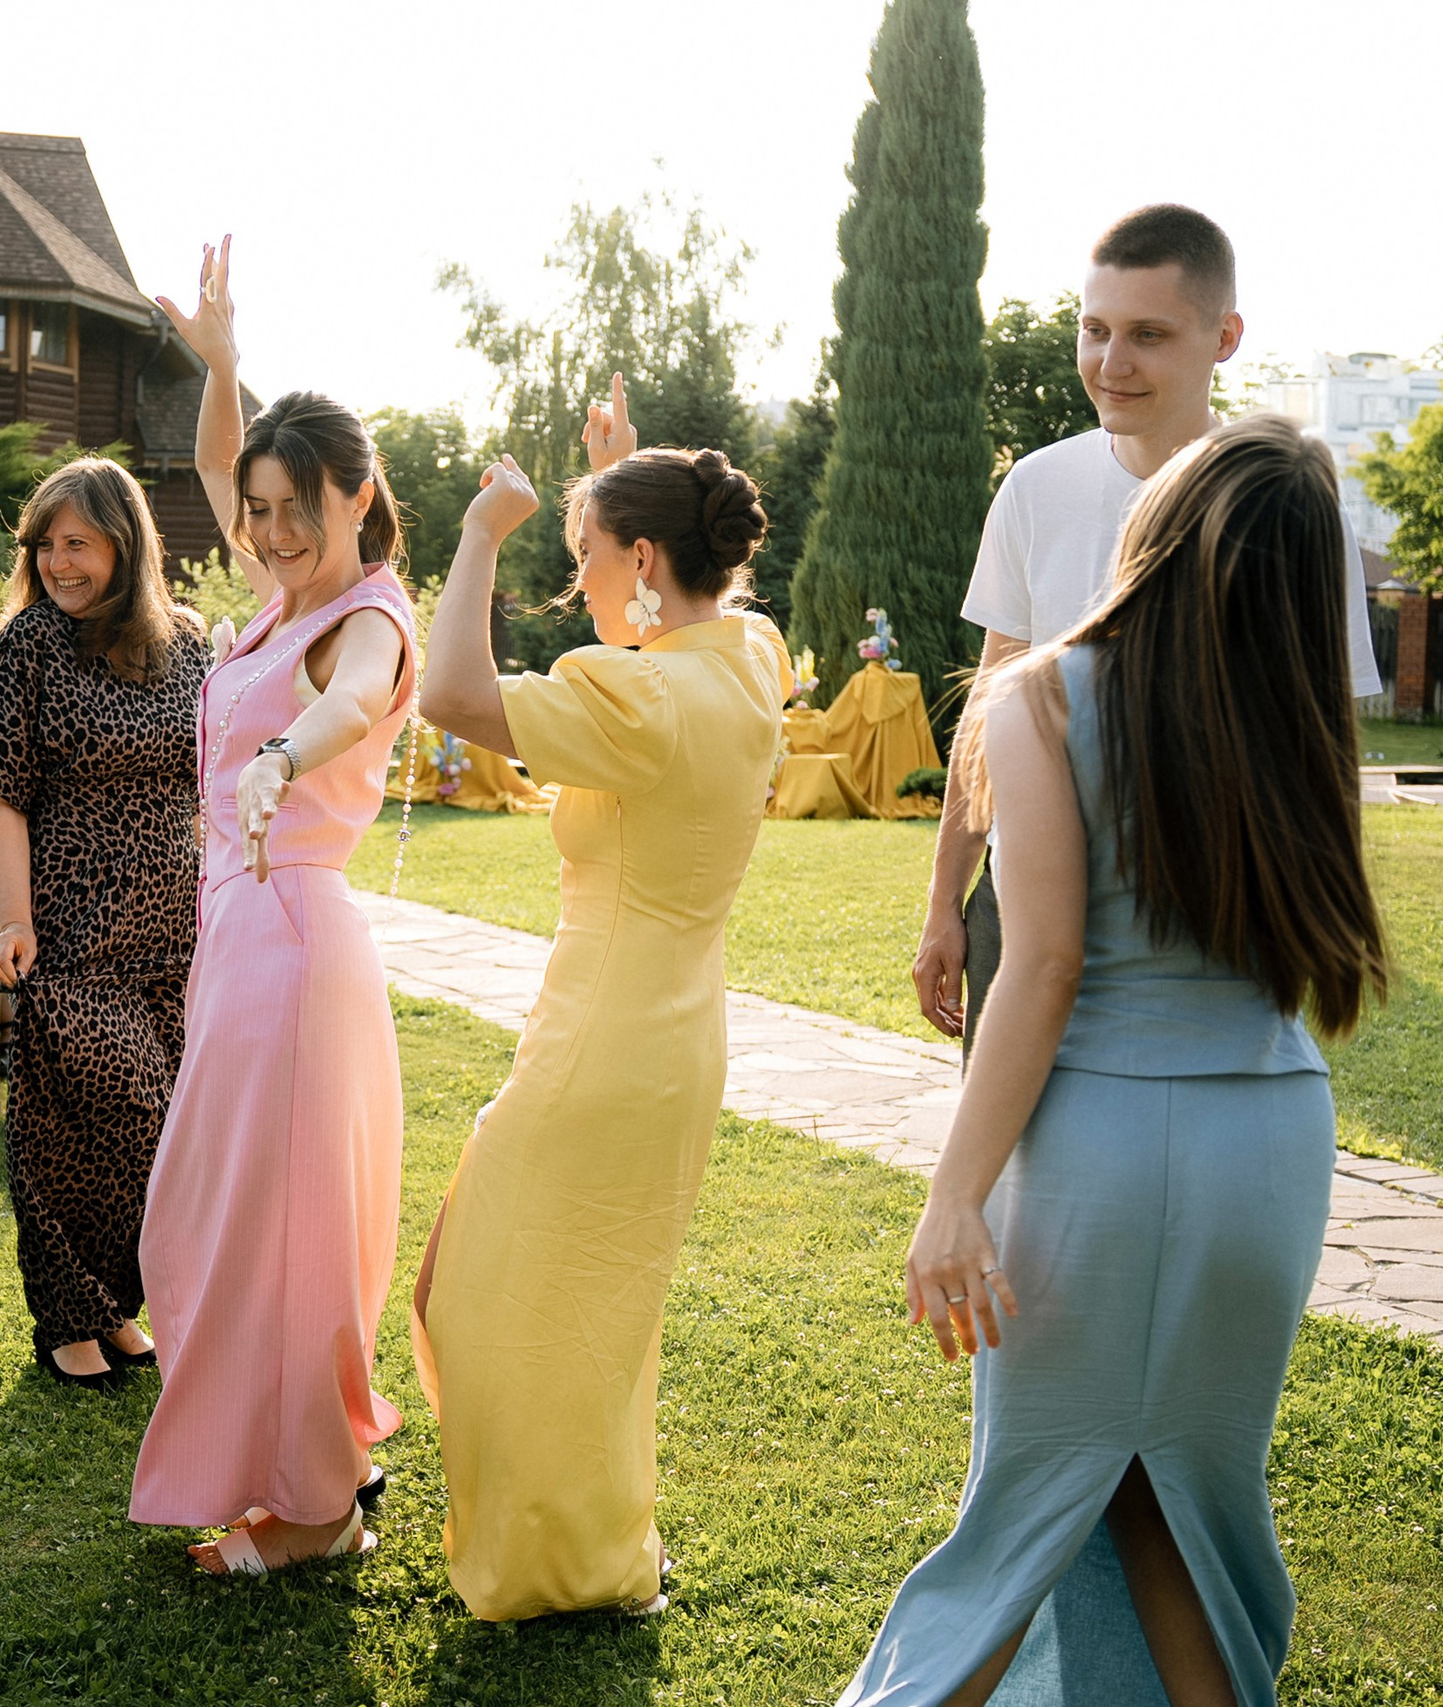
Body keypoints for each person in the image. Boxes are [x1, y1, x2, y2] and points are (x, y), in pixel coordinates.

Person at [841, 416, 1389, 1706]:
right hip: (1266, 1147)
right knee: (1177, 1513)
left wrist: (952, 1190)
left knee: (1020, 1516)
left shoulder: (1038, 694)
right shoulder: (1298, 723)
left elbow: (1038, 968)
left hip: (1097, 1149)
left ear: (1158, 528)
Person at [413, 376, 787, 1620]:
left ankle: (559, 1564)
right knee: (595, 1305)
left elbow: (452, 698)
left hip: (603, 1040)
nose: (576, 588)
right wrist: (628, 480)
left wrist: (479, 534)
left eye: (588, 562)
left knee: (486, 1294)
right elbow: (666, 629)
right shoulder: (745, 660)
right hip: (678, 1038)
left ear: (639, 559)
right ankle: (595, 1549)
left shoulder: (641, 697)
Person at [912, 205, 1382, 1057]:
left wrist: (1313, 919)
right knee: (1012, 1176)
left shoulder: (1285, 511)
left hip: (1209, 931)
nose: (1110, 363)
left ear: (1225, 336)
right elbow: (987, 715)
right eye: (1094, 329)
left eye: (1148, 335)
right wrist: (947, 899)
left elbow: (1327, 748)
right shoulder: (1033, 488)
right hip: (1017, 909)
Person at [130, 238, 419, 1577]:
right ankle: (301, 1468)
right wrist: (225, 367)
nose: (269, 530)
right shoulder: (268, 602)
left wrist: (290, 753)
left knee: (283, 1223)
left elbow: (354, 697)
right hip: (239, 944)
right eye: (257, 509)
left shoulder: (366, 616)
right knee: (219, 1210)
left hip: (296, 944)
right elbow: (202, 466)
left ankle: (314, 1506)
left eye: (296, 506)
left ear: (359, 497)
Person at [0, 456, 210, 1391]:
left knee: (160, 1130)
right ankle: (67, 1311)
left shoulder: (186, 642)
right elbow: (3, 796)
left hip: (176, 930)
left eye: (79, 543)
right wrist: (14, 920)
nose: (59, 562)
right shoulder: (28, 644)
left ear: (127, 541)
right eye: (46, 545)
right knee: (86, 1116)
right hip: (70, 929)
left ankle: (110, 1310)